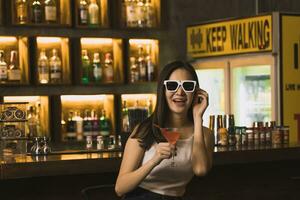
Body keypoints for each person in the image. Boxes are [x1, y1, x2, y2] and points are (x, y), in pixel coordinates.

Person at [115, 60, 214, 199]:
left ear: (196, 92)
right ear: (163, 90)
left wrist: (198, 118)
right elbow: (120, 188)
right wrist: (155, 159)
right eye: (172, 85)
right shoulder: (145, 129)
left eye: (187, 86)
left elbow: (201, 170)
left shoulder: (205, 134)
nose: (180, 92)